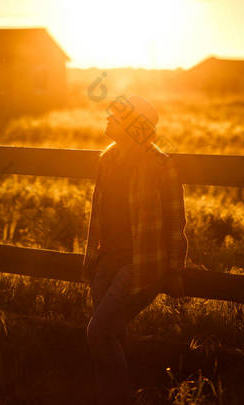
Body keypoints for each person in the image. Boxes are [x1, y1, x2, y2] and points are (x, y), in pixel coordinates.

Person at [82, 95, 188, 404]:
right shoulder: (107, 159)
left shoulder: (160, 165)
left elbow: (174, 222)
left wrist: (174, 271)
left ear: (133, 126)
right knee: (110, 333)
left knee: (97, 333)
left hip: (140, 265)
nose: (107, 117)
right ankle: (109, 394)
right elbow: (98, 214)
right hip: (107, 259)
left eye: (115, 116)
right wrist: (92, 258)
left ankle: (122, 398)